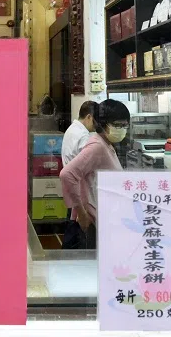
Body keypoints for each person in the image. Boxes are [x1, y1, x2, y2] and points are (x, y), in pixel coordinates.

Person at [59, 99, 130, 249]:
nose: (122, 129)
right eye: (118, 125)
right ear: (103, 124)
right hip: (93, 221)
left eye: (125, 125)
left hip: (105, 218)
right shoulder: (97, 146)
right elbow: (67, 174)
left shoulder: (106, 144)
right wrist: (82, 213)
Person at [61, 100, 98, 166]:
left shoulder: (72, 128)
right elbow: (89, 164)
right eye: (97, 121)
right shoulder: (83, 135)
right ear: (89, 117)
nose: (97, 125)